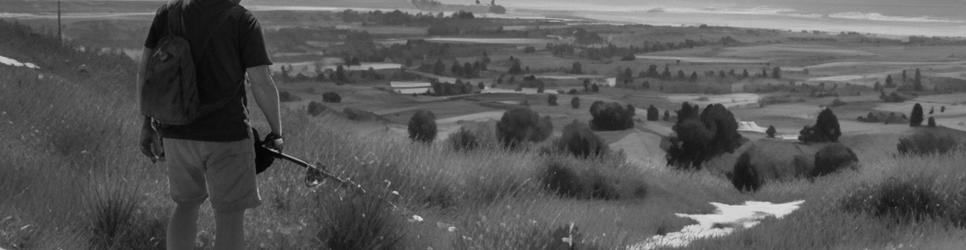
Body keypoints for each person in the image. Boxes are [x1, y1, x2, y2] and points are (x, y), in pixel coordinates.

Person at [137, 0, 282, 249]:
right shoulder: (242, 20)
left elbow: (146, 71)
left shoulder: (168, 14)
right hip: (228, 134)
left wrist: (146, 124)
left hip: (176, 131)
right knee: (229, 216)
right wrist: (277, 131)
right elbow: (261, 82)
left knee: (185, 205)